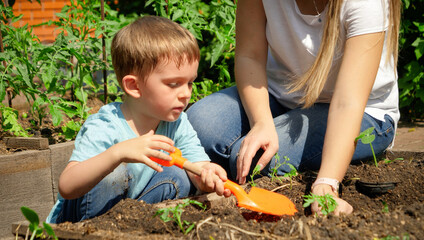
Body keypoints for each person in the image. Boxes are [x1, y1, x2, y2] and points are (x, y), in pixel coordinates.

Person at [187, 0, 401, 215]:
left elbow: (348, 102)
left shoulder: (365, 4)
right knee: (200, 125)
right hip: (280, 94)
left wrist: (326, 183)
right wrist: (261, 122)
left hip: (362, 112)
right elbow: (249, 56)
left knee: (255, 162)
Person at [46, 16, 231, 224]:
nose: (185, 94)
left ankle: (128, 229)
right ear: (134, 86)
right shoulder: (106, 125)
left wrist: (206, 176)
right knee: (113, 171)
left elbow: (195, 164)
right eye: (173, 84)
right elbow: (67, 186)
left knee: (178, 175)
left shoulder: (177, 122)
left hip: (128, 217)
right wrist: (118, 153)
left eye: (189, 83)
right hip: (78, 221)